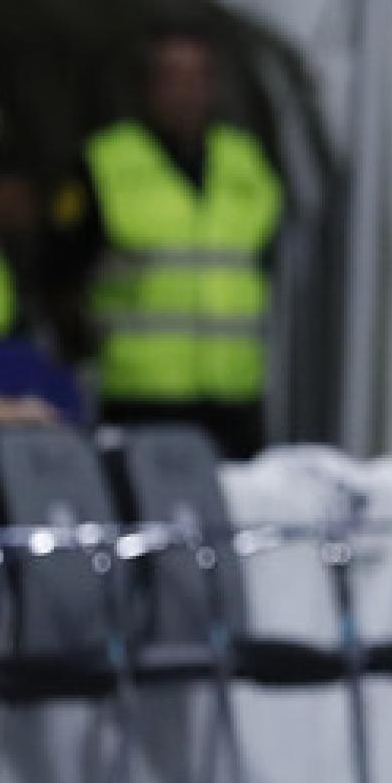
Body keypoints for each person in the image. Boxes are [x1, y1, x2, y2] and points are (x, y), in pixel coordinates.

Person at [50, 26, 283, 460]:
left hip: (234, 399)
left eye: (197, 78)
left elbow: (267, 263)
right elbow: (62, 276)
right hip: (141, 399)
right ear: (148, 86)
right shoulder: (107, 162)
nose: (186, 93)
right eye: (172, 78)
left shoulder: (246, 162)